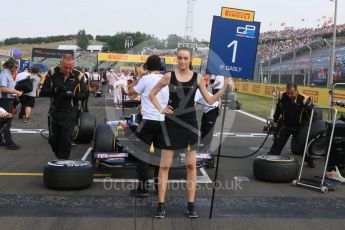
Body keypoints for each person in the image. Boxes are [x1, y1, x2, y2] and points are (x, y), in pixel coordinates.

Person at [149, 47, 229, 219]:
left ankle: (191, 205)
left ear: (191, 59)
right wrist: (161, 109)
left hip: (190, 125)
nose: (183, 61)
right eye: (180, 58)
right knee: (164, 166)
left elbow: (209, 100)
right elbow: (151, 93)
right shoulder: (168, 76)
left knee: (191, 166)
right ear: (176, 59)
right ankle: (161, 205)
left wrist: (224, 89)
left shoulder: (198, 77)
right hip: (171, 125)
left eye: (185, 58)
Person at [127, 55, 168, 197]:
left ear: (147, 66)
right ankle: (159, 187)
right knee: (159, 155)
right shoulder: (166, 79)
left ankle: (143, 188)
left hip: (148, 119)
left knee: (142, 154)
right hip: (163, 119)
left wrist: (139, 76)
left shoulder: (146, 79)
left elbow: (130, 94)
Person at [41, 54, 87, 159]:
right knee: (53, 140)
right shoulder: (52, 72)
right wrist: (55, 90)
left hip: (70, 112)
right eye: (65, 67)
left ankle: (63, 162)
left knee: (66, 140)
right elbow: (43, 91)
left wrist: (71, 94)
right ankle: (60, 157)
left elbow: (85, 94)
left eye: (70, 67)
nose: (67, 70)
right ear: (60, 64)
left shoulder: (79, 75)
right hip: (54, 111)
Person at [268, 83, 315, 168]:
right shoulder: (282, 96)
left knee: (303, 145)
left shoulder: (304, 99)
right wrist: (275, 122)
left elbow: (314, 113)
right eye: (288, 93)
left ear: (296, 90)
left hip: (300, 127)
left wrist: (309, 126)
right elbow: (278, 110)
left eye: (292, 93)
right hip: (286, 124)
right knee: (278, 142)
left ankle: (309, 160)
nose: (289, 95)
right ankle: (270, 158)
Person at [0, 58, 22, 150]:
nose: (16, 69)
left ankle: (1, 140)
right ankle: (9, 143)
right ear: (10, 66)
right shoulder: (5, 74)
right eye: (16, 67)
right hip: (4, 99)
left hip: (6, 99)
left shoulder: (7, 73)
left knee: (2, 122)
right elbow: (3, 89)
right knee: (7, 121)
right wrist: (16, 92)